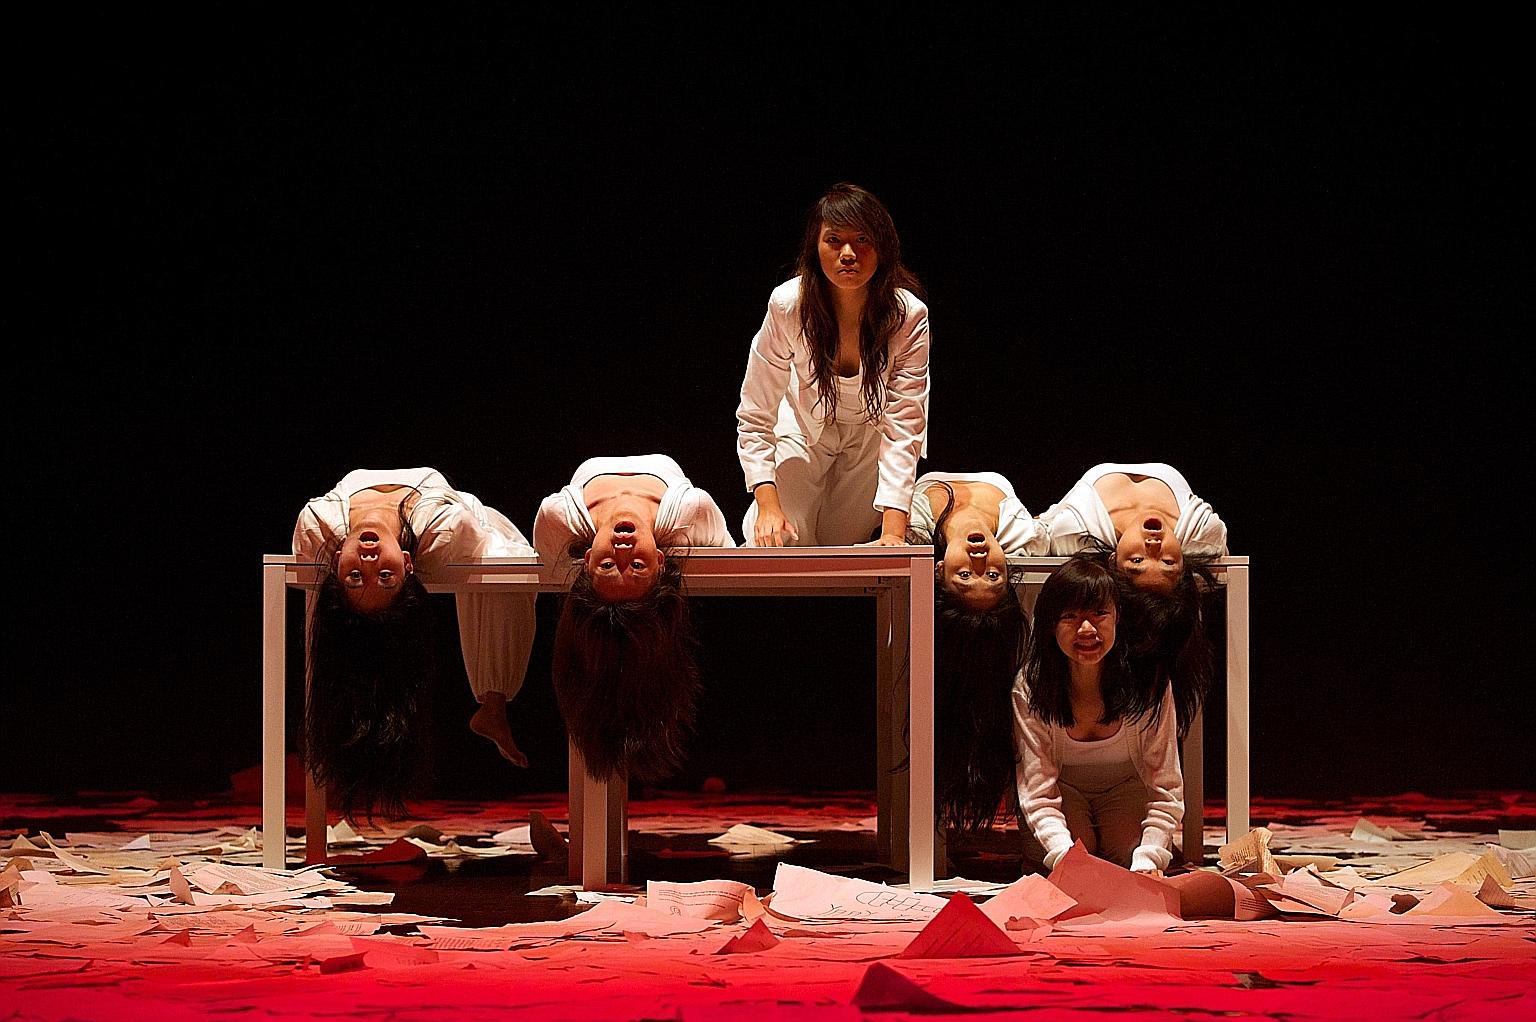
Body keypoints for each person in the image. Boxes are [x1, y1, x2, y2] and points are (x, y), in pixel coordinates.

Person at [292, 467, 537, 820]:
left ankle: (493, 702)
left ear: (335, 564)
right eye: (386, 577)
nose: (369, 561)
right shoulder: (442, 534)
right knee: (508, 561)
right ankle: (494, 697)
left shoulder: (318, 532)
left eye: (356, 576)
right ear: (408, 564)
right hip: (461, 526)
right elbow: (489, 544)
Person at [736, 182, 930, 548]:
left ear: (883, 248)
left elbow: (904, 426)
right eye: (834, 240)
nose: (848, 253)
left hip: (869, 438)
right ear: (816, 246)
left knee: (843, 545)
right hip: (802, 429)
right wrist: (767, 505)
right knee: (786, 537)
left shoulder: (908, 315)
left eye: (862, 240)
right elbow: (756, 412)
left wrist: (892, 534)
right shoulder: (788, 305)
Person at [533, 454, 733, 781]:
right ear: (659, 560)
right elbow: (728, 550)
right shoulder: (692, 514)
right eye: (638, 567)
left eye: (608, 565)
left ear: (585, 561)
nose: (622, 550)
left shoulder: (558, 520)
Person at [1013, 555, 1184, 875]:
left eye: (1099, 613)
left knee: (1128, 856)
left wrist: (1148, 859)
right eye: (1070, 616)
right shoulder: (1031, 686)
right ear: (1050, 624)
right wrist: (1065, 857)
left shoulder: (1149, 683)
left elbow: (1166, 787)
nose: (1087, 628)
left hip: (1128, 790)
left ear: (1118, 616)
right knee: (1078, 857)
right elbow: (1038, 793)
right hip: (1062, 793)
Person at [1036, 462, 1226, 733]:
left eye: (1137, 560)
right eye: (1169, 562)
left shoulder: (1077, 533)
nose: (1154, 545)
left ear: (1114, 562)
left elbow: (1040, 530)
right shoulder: (1202, 535)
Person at [906, 471, 1046, 831]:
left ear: (938, 571)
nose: (979, 562)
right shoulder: (1025, 538)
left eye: (965, 576)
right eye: (993, 577)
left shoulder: (914, 530)